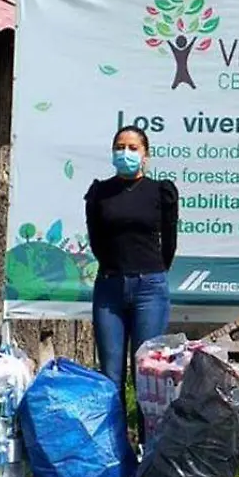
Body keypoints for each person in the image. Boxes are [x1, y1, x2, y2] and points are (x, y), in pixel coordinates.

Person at [85, 125, 180, 440]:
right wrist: (114, 268)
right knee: (111, 374)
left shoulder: (159, 191)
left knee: (147, 374)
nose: (125, 153)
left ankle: (147, 449)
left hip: (149, 289)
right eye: (119, 146)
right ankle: (112, 448)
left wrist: (152, 270)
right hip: (110, 289)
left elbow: (169, 242)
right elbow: (96, 240)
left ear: (145, 155)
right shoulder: (100, 192)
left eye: (132, 147)